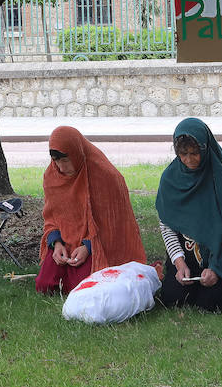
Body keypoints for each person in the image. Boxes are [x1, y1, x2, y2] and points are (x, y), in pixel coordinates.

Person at [155, 118, 222, 311]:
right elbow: (166, 223)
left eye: (195, 153)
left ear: (206, 148)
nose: (189, 160)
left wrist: (217, 270)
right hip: (188, 255)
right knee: (172, 297)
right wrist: (178, 262)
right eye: (183, 154)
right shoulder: (171, 178)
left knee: (210, 302)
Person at [38, 126, 147, 294]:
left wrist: (87, 247)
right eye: (56, 160)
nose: (60, 167)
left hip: (98, 241)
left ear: (76, 153)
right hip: (66, 242)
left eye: (65, 160)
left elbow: (113, 224)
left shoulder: (104, 176)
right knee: (45, 285)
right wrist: (56, 243)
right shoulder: (52, 176)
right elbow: (51, 217)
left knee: (85, 288)